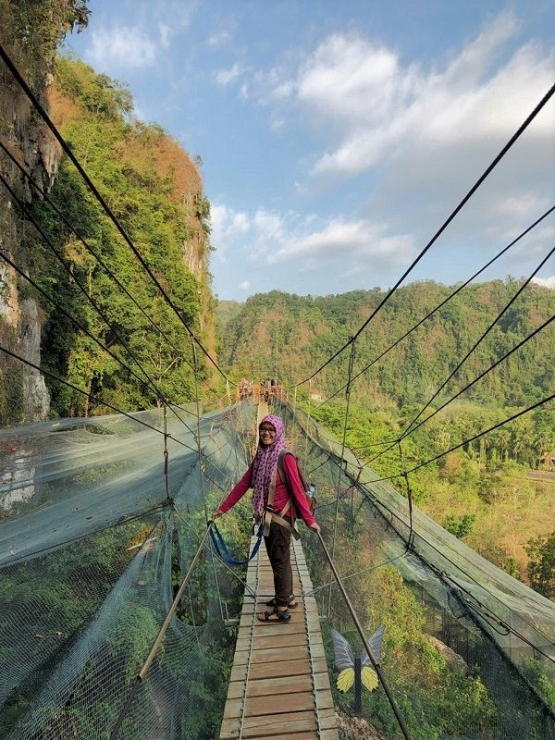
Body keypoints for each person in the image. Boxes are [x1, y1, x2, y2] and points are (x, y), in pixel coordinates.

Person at [212, 414, 320, 623]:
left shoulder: (285, 457)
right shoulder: (262, 454)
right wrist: (223, 508)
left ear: (278, 432)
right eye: (263, 429)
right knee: (279, 559)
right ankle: (286, 597)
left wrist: (309, 520)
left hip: (281, 519)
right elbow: (245, 483)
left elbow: (297, 491)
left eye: (271, 430)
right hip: (269, 518)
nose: (266, 433)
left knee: (279, 560)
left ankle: (281, 610)